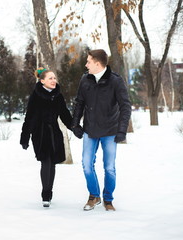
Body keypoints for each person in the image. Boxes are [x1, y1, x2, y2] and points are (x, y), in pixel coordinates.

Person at [72, 49, 131, 211]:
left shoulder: (115, 81)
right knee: (86, 164)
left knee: (109, 167)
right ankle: (94, 195)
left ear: (97, 64)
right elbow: (79, 104)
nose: (86, 65)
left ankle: (108, 199)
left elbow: (125, 106)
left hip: (110, 131)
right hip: (90, 130)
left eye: (88, 61)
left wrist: (122, 130)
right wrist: (75, 124)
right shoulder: (85, 79)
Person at [20, 67, 72, 208]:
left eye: (54, 78)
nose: (54, 80)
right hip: (40, 133)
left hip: (54, 132)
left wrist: (75, 127)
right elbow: (29, 117)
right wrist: (25, 137)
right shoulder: (36, 96)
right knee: (46, 161)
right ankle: (45, 193)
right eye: (50, 78)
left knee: (53, 162)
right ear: (42, 81)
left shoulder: (58, 96)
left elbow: (65, 114)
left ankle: (49, 192)